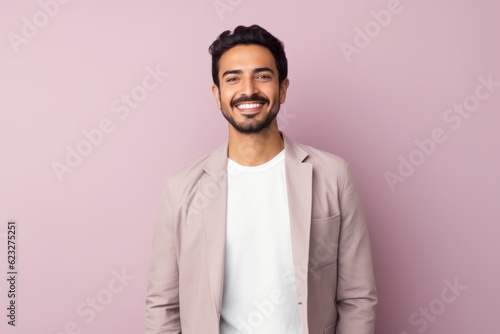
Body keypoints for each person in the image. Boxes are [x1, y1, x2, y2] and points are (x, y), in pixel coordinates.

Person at [146, 24, 377, 334]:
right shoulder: (181, 188)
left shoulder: (334, 176)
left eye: (263, 76)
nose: (248, 89)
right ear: (217, 94)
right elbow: (163, 305)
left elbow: (358, 297)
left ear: (282, 88)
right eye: (233, 78)